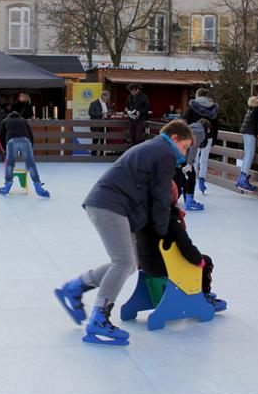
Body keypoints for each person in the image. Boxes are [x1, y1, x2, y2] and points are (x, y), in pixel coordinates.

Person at [54, 119, 193, 346]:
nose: (185, 153)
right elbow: (159, 197)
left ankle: (74, 288)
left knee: (129, 263)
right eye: (186, 147)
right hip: (110, 205)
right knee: (123, 262)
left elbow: (149, 194)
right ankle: (99, 318)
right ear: (175, 138)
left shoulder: (154, 148)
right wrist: (163, 232)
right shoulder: (164, 152)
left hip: (112, 204)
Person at [135, 180, 226, 312]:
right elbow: (185, 246)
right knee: (206, 261)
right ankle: (204, 296)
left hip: (146, 266)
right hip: (166, 267)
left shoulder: (142, 217)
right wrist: (198, 260)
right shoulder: (171, 220)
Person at [0, 111, 50, 197]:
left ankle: (7, 186)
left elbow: (1, 136)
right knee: (31, 164)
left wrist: (4, 149)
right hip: (25, 141)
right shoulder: (23, 120)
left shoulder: (5, 121)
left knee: (10, 164)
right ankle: (38, 187)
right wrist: (30, 147)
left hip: (11, 141)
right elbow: (31, 134)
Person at [182, 88, 218, 194]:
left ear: (197, 96)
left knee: (194, 157)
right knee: (204, 159)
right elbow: (216, 125)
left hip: (194, 135)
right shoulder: (213, 108)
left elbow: (184, 120)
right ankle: (202, 179)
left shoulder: (192, 107)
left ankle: (192, 179)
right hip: (209, 135)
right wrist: (214, 139)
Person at [175, 118, 211, 211]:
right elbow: (193, 148)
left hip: (175, 153)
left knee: (181, 175)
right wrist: (189, 163)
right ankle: (189, 201)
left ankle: (180, 197)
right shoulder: (201, 132)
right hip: (180, 155)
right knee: (191, 174)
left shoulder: (192, 127)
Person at [237, 89, 258, 192]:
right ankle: (243, 179)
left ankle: (241, 178)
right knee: (250, 154)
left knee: (247, 154)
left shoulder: (252, 105)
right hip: (250, 132)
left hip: (245, 130)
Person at [89, 91, 111, 155]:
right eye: (104, 99)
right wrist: (101, 114)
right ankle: (93, 154)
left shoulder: (107, 103)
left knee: (103, 140)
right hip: (96, 125)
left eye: (106, 99)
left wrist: (109, 113)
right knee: (95, 140)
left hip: (105, 125)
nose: (105, 100)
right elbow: (91, 113)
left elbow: (108, 112)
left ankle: (101, 154)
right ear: (101, 97)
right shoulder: (93, 103)